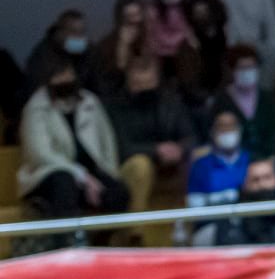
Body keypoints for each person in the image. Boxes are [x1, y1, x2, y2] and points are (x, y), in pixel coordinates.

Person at [19, 61, 128, 226]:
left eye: (69, 73)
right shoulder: (36, 107)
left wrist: (109, 173)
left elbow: (108, 141)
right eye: (59, 75)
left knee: (118, 192)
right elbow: (40, 154)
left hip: (92, 172)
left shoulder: (90, 101)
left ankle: (101, 239)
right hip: (50, 174)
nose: (65, 79)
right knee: (64, 183)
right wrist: (81, 176)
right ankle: (65, 239)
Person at [107, 55, 196, 213]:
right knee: (141, 165)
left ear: (157, 80)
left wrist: (179, 149)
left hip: (170, 162)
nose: (144, 88)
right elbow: (121, 148)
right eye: (138, 84)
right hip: (132, 165)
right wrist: (156, 150)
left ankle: (197, 221)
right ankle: (137, 225)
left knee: (200, 156)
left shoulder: (170, 102)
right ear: (128, 81)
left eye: (148, 83)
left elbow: (191, 137)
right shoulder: (116, 107)